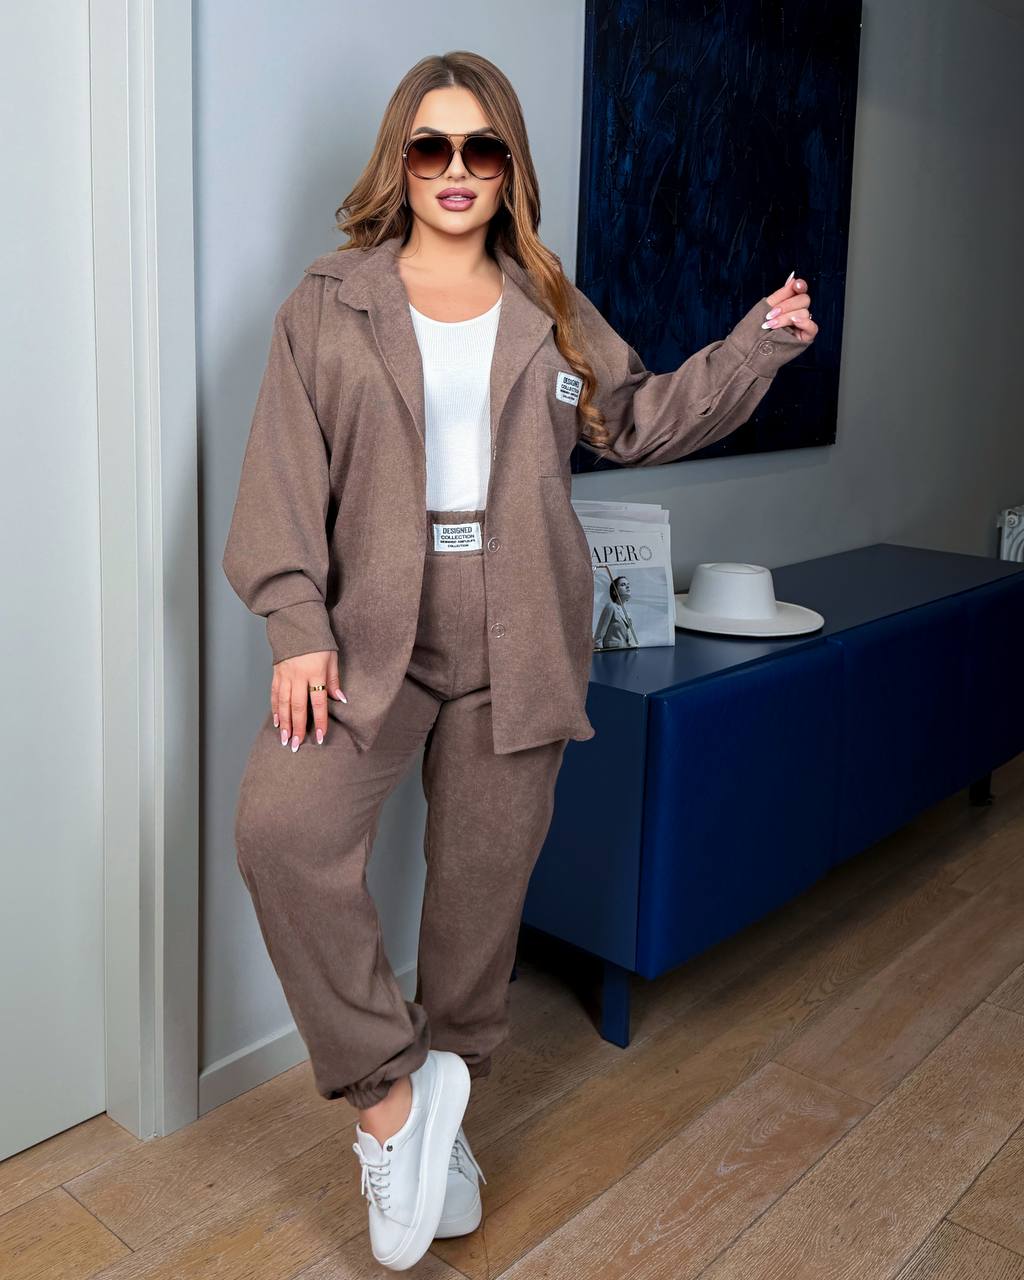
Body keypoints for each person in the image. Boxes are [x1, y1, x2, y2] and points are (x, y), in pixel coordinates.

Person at [222, 49, 816, 1271]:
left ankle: (449, 1120)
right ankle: (395, 1106)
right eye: (431, 146)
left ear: (508, 169)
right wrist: (296, 624)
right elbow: (281, 472)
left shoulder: (548, 303)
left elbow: (636, 419)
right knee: (281, 829)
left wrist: (756, 344)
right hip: (371, 627)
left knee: (477, 905)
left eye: (480, 148)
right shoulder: (329, 301)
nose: (456, 169)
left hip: (520, 627)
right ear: (401, 160)